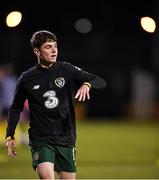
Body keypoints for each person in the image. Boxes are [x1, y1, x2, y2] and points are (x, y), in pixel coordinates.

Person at [5, 30, 106, 179]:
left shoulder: (66, 69)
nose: (54, 50)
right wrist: (10, 134)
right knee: (47, 177)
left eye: (55, 46)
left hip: (66, 137)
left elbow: (99, 81)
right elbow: (16, 107)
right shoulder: (27, 78)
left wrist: (87, 84)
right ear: (37, 51)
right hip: (41, 138)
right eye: (48, 47)